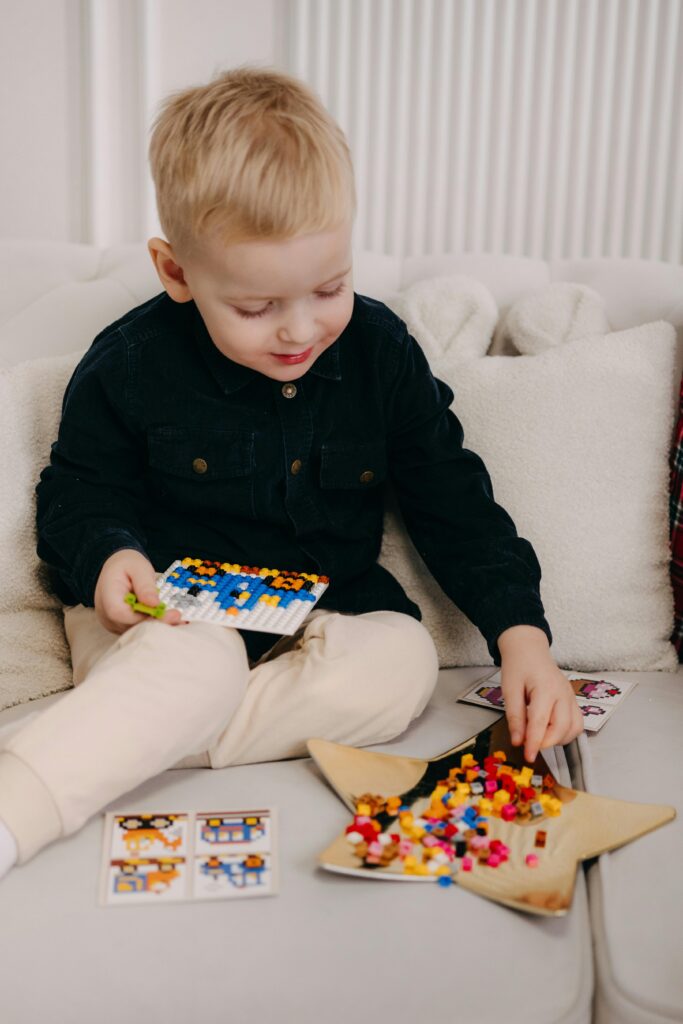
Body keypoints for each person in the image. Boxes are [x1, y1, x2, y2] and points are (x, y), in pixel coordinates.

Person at [0, 66, 583, 880]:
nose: (299, 329)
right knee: (196, 663)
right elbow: (78, 491)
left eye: (329, 288)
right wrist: (107, 560)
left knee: (403, 662)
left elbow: (453, 497)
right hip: (161, 619)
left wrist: (522, 636)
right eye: (256, 307)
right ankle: (19, 804)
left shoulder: (382, 353)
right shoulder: (129, 365)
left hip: (318, 610)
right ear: (175, 272)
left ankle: (120, 738)